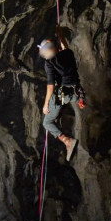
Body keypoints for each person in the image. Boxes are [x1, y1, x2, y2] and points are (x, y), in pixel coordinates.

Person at [38, 25, 85, 161]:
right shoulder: (68, 53)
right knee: (63, 102)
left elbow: (50, 87)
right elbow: (64, 47)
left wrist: (46, 105)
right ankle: (78, 102)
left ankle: (67, 141)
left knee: (47, 122)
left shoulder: (49, 63)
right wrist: (60, 35)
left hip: (62, 95)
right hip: (77, 91)